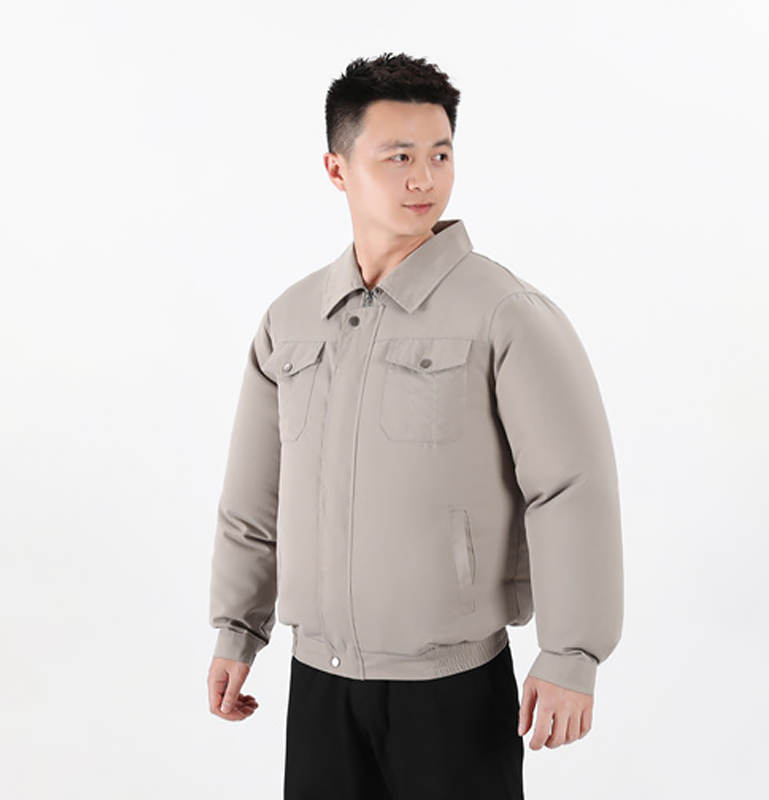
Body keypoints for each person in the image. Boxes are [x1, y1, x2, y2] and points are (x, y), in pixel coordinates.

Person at [206, 52, 624, 799]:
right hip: (320, 681)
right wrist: (238, 629)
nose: (423, 178)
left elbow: (569, 487)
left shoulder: (504, 312)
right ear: (337, 169)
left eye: (440, 155)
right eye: (398, 157)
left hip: (451, 686)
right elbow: (254, 496)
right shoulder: (291, 321)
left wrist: (571, 653)